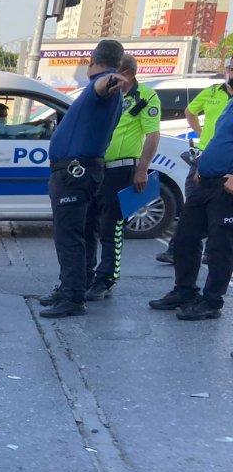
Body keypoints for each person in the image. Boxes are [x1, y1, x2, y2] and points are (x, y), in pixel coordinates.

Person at [38, 38, 125, 318]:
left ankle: (73, 298)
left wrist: (110, 79)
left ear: (92, 60)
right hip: (80, 172)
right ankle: (74, 286)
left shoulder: (102, 84)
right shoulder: (100, 88)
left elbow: (104, 86)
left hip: (74, 174)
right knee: (83, 233)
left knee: (68, 237)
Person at [149, 90, 233, 320]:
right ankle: (184, 291)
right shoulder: (229, 103)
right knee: (184, 238)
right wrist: (202, 164)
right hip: (205, 181)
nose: (228, 74)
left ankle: (212, 302)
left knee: (219, 248)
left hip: (225, 187)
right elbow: (220, 140)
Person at [84, 54, 160, 300]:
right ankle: (85, 274)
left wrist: (142, 169)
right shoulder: (108, 93)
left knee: (111, 227)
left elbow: (152, 135)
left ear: (127, 73)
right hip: (96, 168)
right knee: (87, 223)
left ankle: (106, 279)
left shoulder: (145, 96)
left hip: (121, 170)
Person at [158, 62, 233, 264]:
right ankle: (177, 251)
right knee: (191, 209)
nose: (230, 73)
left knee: (220, 219)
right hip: (204, 159)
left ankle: (212, 254)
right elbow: (190, 111)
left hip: (226, 167)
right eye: (230, 68)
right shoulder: (212, 91)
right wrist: (200, 133)